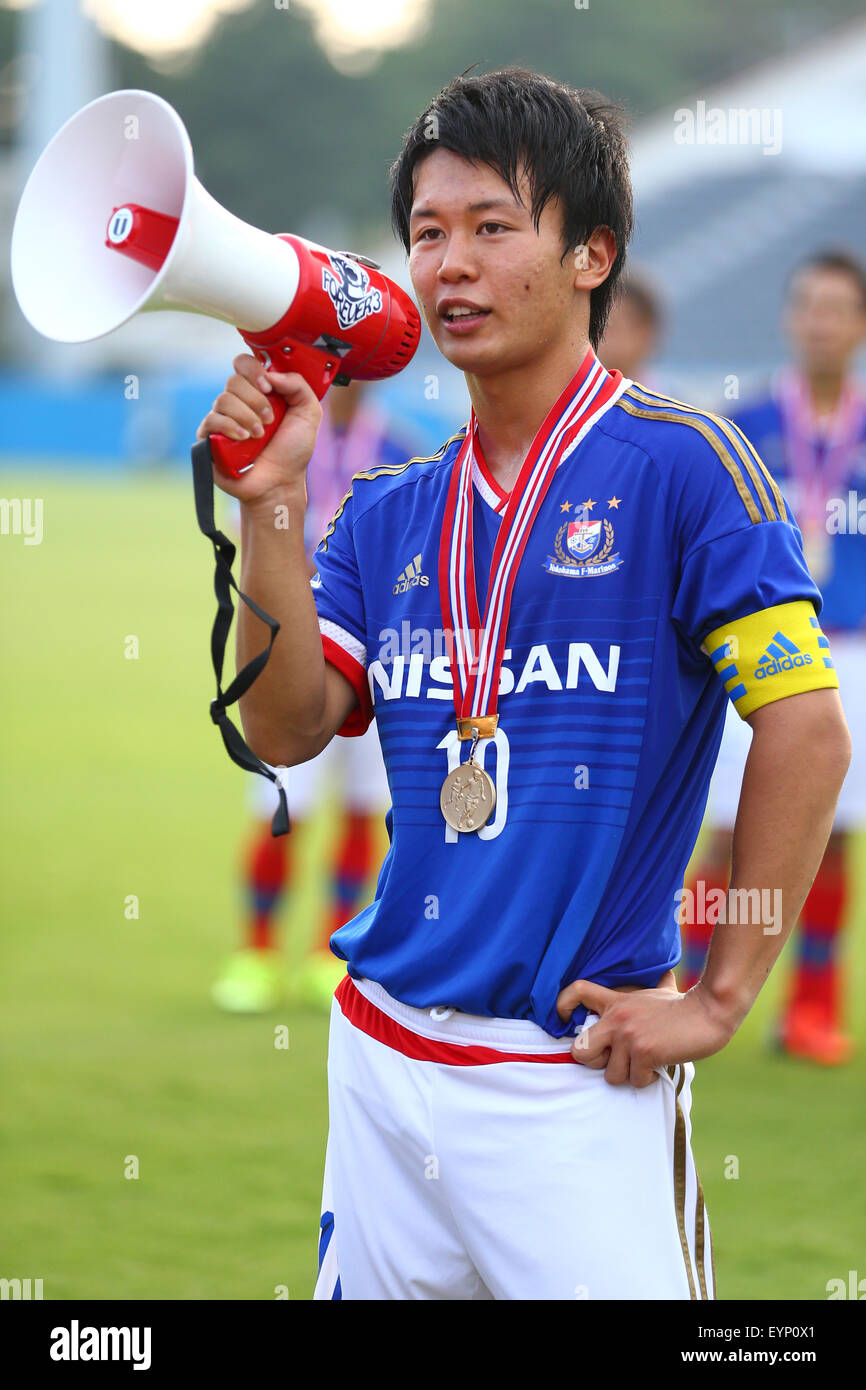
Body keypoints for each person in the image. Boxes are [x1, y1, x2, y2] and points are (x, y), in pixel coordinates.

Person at [195, 70, 850, 1301]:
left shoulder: (688, 466)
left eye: (493, 227)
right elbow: (284, 729)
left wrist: (719, 995)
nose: (449, 265)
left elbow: (806, 735)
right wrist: (273, 500)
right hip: (382, 1054)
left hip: (574, 1074)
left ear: (590, 252)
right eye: (428, 234)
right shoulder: (385, 511)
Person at [681, 250, 866, 1065]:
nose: (821, 321)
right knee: (723, 830)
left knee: (836, 837)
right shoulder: (746, 423)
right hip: (760, 650)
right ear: (792, 320)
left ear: (859, 325)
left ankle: (811, 1010)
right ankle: (684, 988)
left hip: (854, 654)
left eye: (838, 307)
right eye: (809, 305)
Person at [212, 381, 405, 1014]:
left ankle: (329, 953)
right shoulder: (285, 441)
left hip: (376, 659)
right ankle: (257, 955)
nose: (345, 373)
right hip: (292, 658)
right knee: (281, 808)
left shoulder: (399, 448)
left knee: (359, 810)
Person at [598, 270, 663, 383]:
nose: (597, 336)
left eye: (608, 326)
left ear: (644, 333)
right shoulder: (570, 395)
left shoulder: (669, 398)